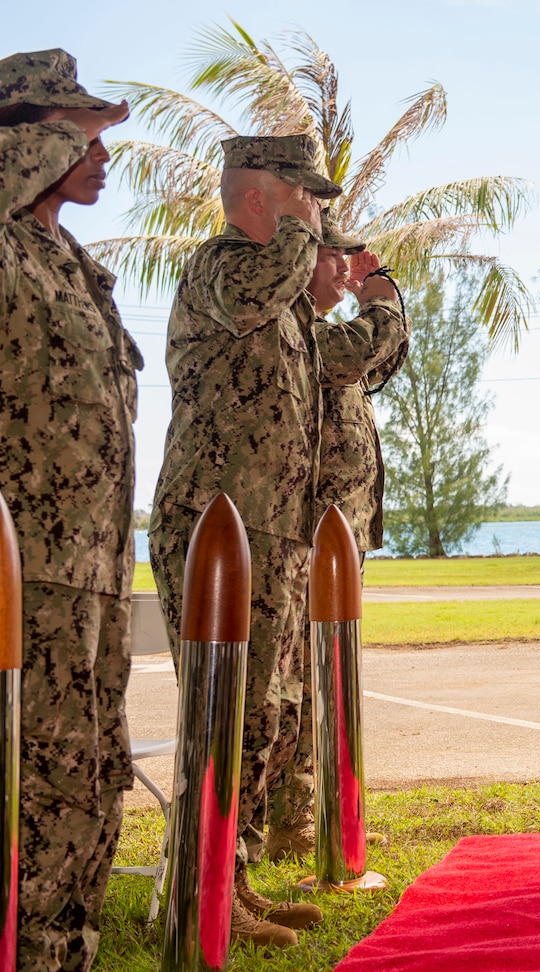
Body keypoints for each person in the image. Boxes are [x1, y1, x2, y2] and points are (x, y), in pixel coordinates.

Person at [149, 134, 403, 948]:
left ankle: (232, 879)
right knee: (219, 716)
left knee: (260, 717)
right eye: (306, 196)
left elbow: (354, 359)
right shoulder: (227, 266)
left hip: (275, 534)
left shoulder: (287, 304)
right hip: (217, 534)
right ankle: (193, 890)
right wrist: (298, 230)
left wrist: (374, 298)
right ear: (262, 194)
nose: (318, 213)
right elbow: (263, 289)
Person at [0, 49, 136, 972]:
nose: (100, 154)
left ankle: (67, 952)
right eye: (76, 134)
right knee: (36, 779)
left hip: (91, 569)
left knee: (90, 777)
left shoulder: (67, 258)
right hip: (25, 573)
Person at [256, 207, 406, 863]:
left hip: (335, 534)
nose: (346, 269)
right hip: (302, 533)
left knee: (324, 681)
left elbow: (382, 357)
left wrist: (383, 299)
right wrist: (384, 298)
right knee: (296, 684)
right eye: (334, 255)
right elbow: (359, 350)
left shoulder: (315, 330)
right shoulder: (294, 333)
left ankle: (309, 818)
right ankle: (286, 822)